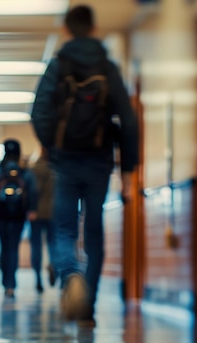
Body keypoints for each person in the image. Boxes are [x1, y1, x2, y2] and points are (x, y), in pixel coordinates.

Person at [31, 5, 138, 323]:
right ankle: (88, 304)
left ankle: (70, 275)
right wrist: (129, 169)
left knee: (63, 229)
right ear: (93, 29)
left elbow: (38, 113)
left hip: (65, 162)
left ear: (66, 29)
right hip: (99, 161)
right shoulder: (108, 67)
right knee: (94, 231)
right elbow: (129, 121)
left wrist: (52, 146)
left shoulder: (58, 65)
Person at [0, 139, 38, 298]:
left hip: (1, 215)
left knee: (4, 247)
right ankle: (11, 284)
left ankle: (5, 282)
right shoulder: (25, 171)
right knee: (13, 248)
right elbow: (32, 191)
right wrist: (31, 209)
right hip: (18, 215)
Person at [29, 148, 56, 294]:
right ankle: (53, 265)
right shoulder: (57, 168)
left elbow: (34, 191)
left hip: (37, 213)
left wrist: (31, 209)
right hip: (53, 212)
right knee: (53, 244)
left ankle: (38, 278)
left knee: (36, 246)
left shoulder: (36, 168)